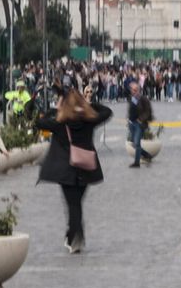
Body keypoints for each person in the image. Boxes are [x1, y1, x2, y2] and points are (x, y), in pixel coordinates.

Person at [34, 85, 113, 253]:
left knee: (73, 205)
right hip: (85, 167)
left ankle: (76, 237)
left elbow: (38, 123)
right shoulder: (89, 120)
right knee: (76, 203)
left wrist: (55, 108)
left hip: (66, 169)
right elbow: (107, 111)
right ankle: (73, 236)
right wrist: (89, 104)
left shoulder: (60, 123)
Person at [127, 81, 154, 168]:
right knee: (133, 143)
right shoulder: (131, 98)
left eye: (135, 90)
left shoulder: (143, 99)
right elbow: (131, 110)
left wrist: (141, 119)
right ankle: (147, 155)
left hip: (139, 124)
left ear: (139, 90)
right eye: (132, 90)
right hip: (131, 123)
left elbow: (148, 111)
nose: (134, 91)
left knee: (137, 143)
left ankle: (136, 163)